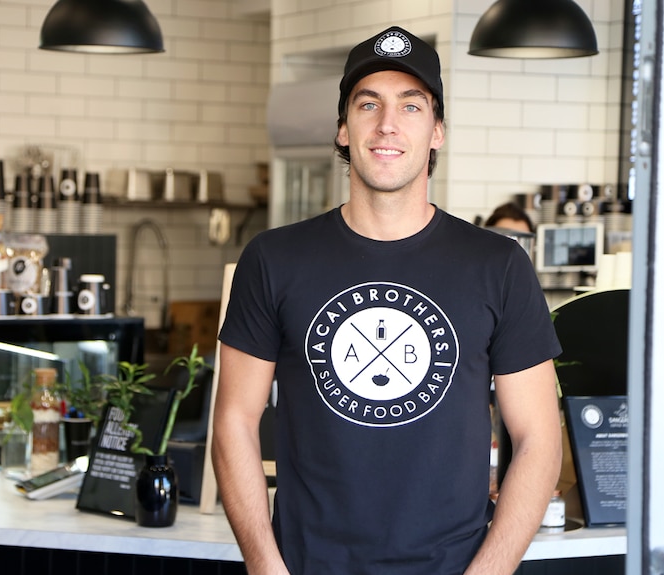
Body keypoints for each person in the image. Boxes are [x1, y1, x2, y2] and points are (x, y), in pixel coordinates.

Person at [212, 25, 562, 575]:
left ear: (438, 131)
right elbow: (234, 419)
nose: (388, 124)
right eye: (368, 104)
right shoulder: (274, 258)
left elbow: (539, 438)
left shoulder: (498, 265)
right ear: (344, 130)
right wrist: (264, 566)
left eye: (411, 106)